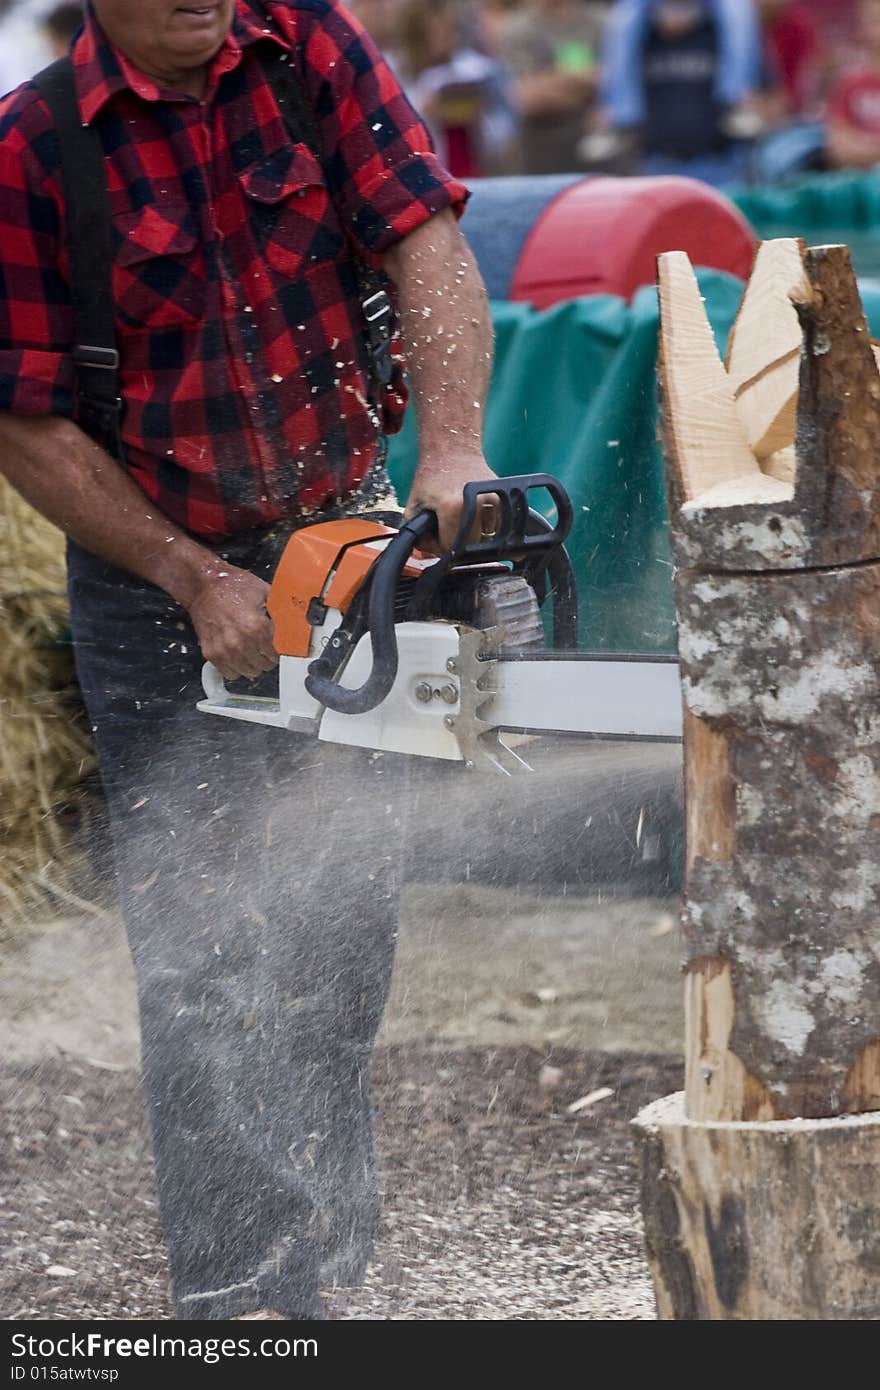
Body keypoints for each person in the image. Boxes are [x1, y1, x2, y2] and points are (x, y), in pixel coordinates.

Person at [0, 0, 497, 1320]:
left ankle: (326, 1259)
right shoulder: (34, 147)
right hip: (161, 576)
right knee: (202, 950)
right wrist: (187, 573)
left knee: (341, 927)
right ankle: (232, 1295)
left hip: (342, 530)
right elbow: (26, 418)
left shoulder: (305, 47)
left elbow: (425, 238)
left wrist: (449, 452)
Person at [599, 0, 763, 185]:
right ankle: (620, 116)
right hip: (656, 164)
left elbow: (770, 95)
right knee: (622, 20)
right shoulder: (636, 24)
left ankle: (736, 99)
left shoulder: (728, 23)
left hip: (721, 165)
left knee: (738, 9)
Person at [397, 0, 519, 177]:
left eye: (449, 31)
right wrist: (425, 111)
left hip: (475, 168)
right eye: (436, 33)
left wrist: (480, 118)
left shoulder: (477, 69)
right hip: (431, 175)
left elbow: (506, 122)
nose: (445, 40)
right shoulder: (401, 73)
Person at [498, 0, 606, 174]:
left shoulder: (600, 23)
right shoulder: (518, 29)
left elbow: (611, 80)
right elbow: (527, 99)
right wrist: (585, 84)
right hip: (540, 150)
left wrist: (552, 82)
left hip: (594, 148)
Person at [826, 0, 880, 169]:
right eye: (876, 20)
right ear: (862, 27)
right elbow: (839, 150)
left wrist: (862, 144)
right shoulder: (850, 83)